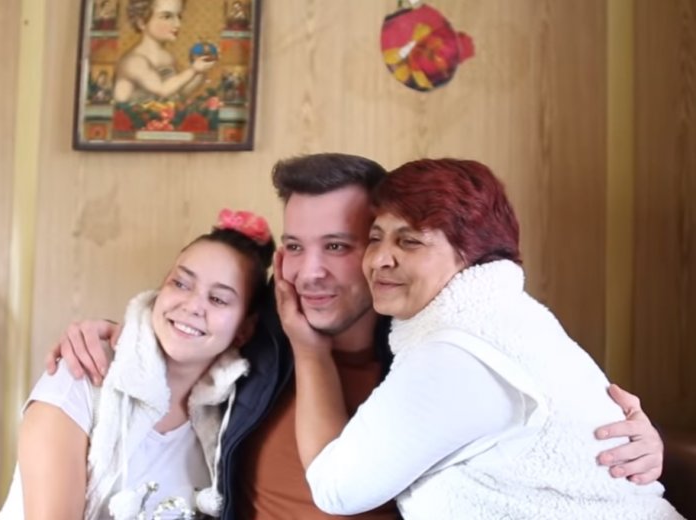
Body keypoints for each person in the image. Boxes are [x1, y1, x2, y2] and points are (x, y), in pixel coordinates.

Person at [47, 154, 666, 519]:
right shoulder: (259, 337)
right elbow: (181, 325)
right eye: (294, 247)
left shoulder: (433, 352)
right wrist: (109, 334)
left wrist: (641, 444)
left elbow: (553, 423)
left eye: (339, 246)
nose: (309, 272)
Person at [274, 158, 683, 519]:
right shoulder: (260, 329)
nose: (380, 258)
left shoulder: (457, 350)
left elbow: (336, 490)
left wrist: (310, 352)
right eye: (377, 237)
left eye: (410, 240)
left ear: (471, 252)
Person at [0, 209, 274, 519]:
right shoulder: (82, 374)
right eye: (181, 284)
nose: (192, 305)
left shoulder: (231, 421)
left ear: (245, 329)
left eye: (218, 299)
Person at [113, 0, 215, 104]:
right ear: (142, 22)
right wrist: (193, 70)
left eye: (179, 17)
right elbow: (163, 90)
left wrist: (201, 71)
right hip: (136, 114)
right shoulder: (134, 61)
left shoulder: (167, 57)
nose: (178, 24)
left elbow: (179, 93)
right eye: (167, 17)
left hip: (162, 113)